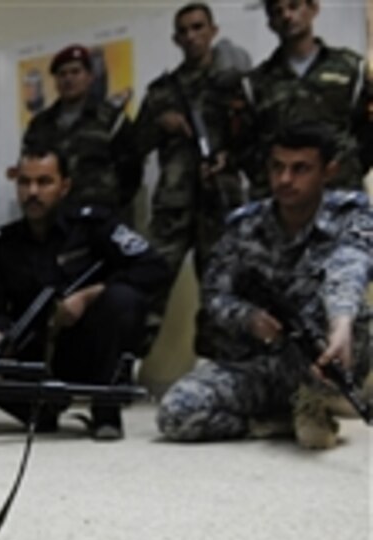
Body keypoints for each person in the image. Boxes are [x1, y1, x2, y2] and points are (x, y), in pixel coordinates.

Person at [157, 123, 372, 449]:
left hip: (328, 356)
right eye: (277, 167)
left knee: (339, 313)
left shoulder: (352, 213)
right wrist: (248, 318)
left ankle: (318, 399)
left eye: (300, 169)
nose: (285, 179)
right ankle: (277, 421)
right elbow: (215, 294)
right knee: (176, 414)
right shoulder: (245, 224)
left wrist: (340, 324)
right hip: (261, 361)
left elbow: (349, 266)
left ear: (329, 171)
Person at [0, 145, 170, 440]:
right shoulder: (2, 244)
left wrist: (90, 295)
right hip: (33, 351)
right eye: (25, 183)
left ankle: (106, 412)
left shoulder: (93, 226)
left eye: (44, 182)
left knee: (123, 300)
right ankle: (43, 410)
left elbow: (154, 268)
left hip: (87, 348)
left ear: (64, 187)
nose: (33, 192)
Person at [134, 2, 246, 356]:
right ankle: (129, 362)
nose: (191, 36)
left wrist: (230, 157)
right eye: (183, 30)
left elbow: (255, 139)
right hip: (174, 204)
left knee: (222, 286)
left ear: (213, 31)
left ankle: (217, 368)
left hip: (221, 200)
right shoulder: (162, 91)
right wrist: (158, 123)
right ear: (175, 38)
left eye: (198, 27)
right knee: (149, 278)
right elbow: (134, 145)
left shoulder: (235, 85)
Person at [234, 0, 372, 199]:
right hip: (283, 201)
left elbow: (367, 128)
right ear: (270, 23)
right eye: (277, 11)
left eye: (294, 6)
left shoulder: (351, 68)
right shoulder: (256, 83)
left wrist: (350, 167)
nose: (287, 16)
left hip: (341, 195)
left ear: (313, 9)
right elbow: (244, 145)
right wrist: (271, 180)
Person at [22, 44, 142, 217]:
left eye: (75, 72)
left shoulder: (112, 119)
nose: (68, 79)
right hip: (55, 220)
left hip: (102, 217)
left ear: (90, 76)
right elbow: (29, 170)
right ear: (55, 80)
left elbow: (131, 172)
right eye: (62, 74)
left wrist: (112, 204)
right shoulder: (39, 125)